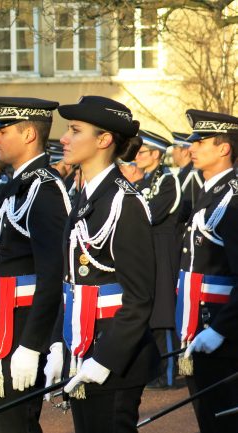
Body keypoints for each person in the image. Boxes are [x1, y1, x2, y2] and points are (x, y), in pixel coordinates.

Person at [45, 95, 159, 433]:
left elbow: (139, 298)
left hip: (113, 358)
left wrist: (104, 359)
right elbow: (72, 284)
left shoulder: (125, 202)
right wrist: (57, 343)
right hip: (83, 348)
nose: (64, 138)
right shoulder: (87, 195)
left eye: (75, 130)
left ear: (104, 140)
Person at [0, 97, 69, 433]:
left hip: (22, 330)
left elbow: (53, 273)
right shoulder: (15, 185)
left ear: (29, 133)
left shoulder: (44, 188)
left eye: (2, 130)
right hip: (1, 328)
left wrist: (33, 343)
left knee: (17, 426)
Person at [175, 109, 238, 433]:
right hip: (200, 327)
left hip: (222, 335)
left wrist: (222, 329)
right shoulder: (210, 192)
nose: (192, 148)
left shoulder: (231, 198)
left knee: (224, 422)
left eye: (200, 141)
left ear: (224, 148)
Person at [134, 129, 183, 389]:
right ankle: (151, 369)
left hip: (163, 250)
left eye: (141, 152)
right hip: (146, 251)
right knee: (147, 308)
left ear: (155, 154)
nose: (136, 157)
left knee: (163, 311)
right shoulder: (142, 182)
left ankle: (167, 371)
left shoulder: (167, 180)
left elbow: (149, 215)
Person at [171, 132, 203, 226]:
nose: (172, 152)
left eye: (175, 148)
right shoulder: (183, 173)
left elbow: (188, 207)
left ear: (184, 151)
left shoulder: (193, 175)